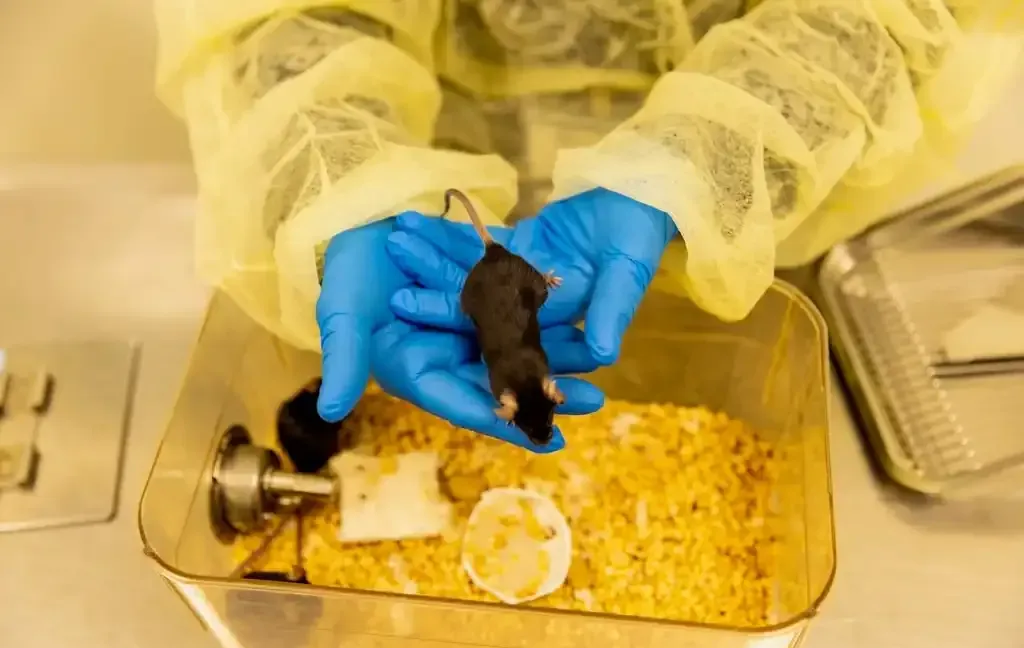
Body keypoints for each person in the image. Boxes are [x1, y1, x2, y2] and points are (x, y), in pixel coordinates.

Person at [154, 1, 1023, 452]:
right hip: (446, 153)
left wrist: (696, 166)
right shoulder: (517, 363)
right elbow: (276, 23)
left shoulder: (517, 357)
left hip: (749, 172)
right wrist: (340, 183)